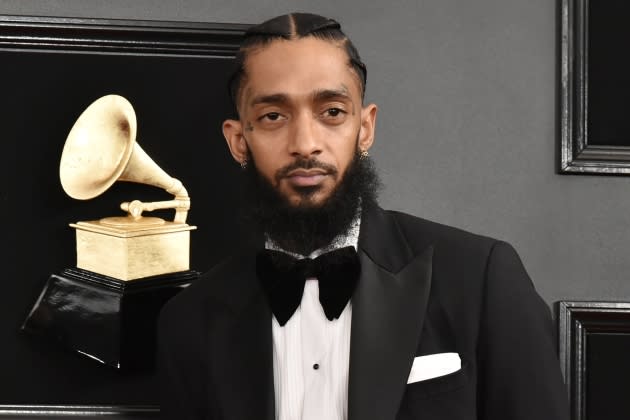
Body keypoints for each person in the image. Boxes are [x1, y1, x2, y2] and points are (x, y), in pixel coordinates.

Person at [157, 12, 570, 420]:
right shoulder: (189, 320)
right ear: (238, 141)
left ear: (365, 127)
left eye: (332, 112)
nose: (305, 144)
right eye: (273, 116)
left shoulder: (483, 279)